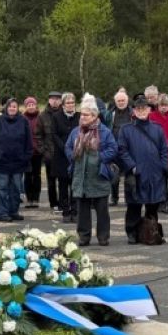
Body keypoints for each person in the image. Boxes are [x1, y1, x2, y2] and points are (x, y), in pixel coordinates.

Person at [66, 94, 118, 246]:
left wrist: (100, 157)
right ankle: (84, 236)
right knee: (82, 210)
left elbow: (113, 149)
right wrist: (72, 156)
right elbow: (68, 147)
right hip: (80, 176)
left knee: (102, 211)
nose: (82, 117)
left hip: (98, 176)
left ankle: (103, 236)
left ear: (94, 115)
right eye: (81, 114)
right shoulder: (76, 131)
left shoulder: (104, 132)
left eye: (86, 114)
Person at [118, 96, 168, 244]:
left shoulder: (157, 129)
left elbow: (164, 150)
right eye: (138, 109)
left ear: (149, 110)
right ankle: (132, 232)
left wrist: (163, 167)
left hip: (154, 173)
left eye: (144, 108)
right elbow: (122, 150)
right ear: (134, 111)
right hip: (136, 173)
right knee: (134, 205)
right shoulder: (126, 129)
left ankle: (151, 231)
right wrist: (132, 166)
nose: (141, 111)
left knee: (152, 205)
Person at [0, 98, 33, 222]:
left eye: (14, 106)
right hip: (1, 162)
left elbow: (28, 141)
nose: (12, 109)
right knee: (2, 189)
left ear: (17, 108)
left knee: (16, 189)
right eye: (10, 106)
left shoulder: (23, 121)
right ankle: (2, 213)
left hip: (18, 162)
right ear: (6, 108)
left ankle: (13, 211)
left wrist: (26, 156)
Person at [50, 93, 80, 222]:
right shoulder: (56, 117)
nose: (70, 105)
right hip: (61, 156)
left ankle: (75, 211)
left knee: (75, 186)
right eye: (68, 103)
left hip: (76, 155)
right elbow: (54, 134)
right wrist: (65, 147)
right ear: (63, 105)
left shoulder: (79, 116)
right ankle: (65, 212)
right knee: (63, 186)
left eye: (72, 102)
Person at [35, 91, 63, 211]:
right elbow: (37, 135)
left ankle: (63, 203)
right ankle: (53, 203)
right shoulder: (42, 116)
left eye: (57, 99)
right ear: (49, 100)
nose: (55, 101)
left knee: (63, 181)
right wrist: (43, 151)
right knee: (51, 182)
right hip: (49, 154)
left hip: (62, 153)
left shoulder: (64, 114)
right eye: (53, 99)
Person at [108, 89, 133, 205]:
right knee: (114, 178)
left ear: (127, 101)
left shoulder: (133, 113)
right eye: (119, 100)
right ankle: (114, 198)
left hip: (129, 151)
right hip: (114, 150)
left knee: (129, 179)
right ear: (115, 101)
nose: (121, 102)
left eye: (123, 100)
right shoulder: (110, 114)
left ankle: (129, 199)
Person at [22, 97, 43, 208]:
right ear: (26, 107)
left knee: (37, 175)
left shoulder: (40, 118)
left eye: (32, 105)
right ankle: (29, 198)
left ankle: (36, 198)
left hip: (37, 152)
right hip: (26, 152)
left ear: (36, 106)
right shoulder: (22, 118)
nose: (31, 107)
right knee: (27, 175)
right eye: (28, 105)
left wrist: (41, 147)